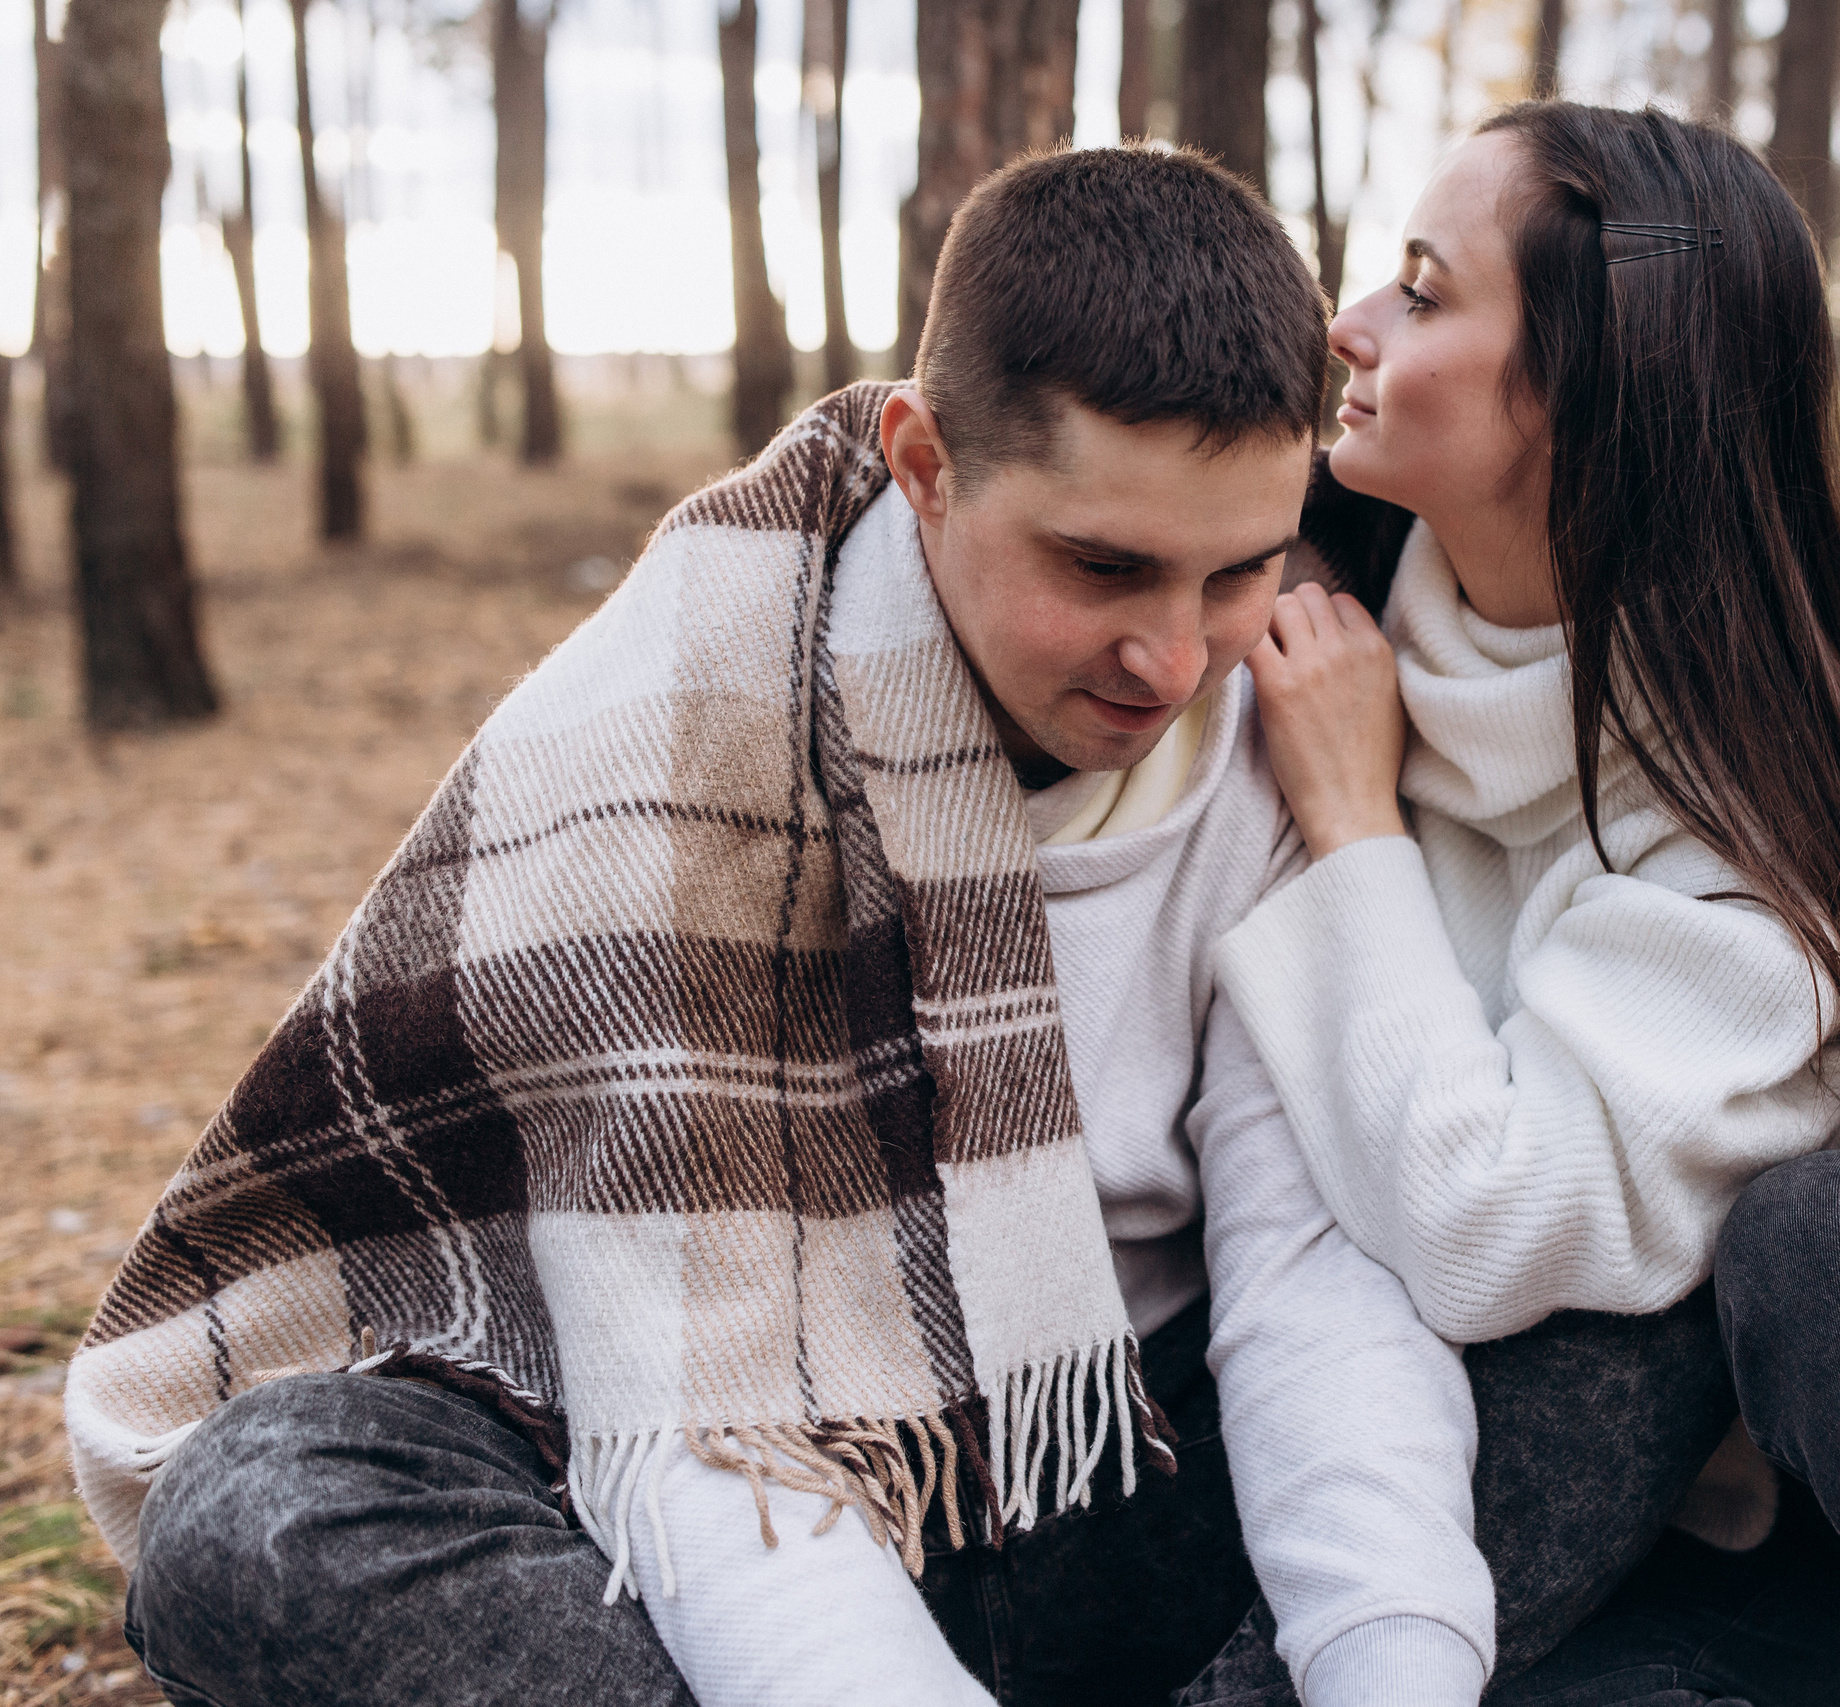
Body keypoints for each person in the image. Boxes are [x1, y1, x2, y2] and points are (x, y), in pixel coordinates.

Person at [70, 146, 1723, 1707]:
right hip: (711, 1507)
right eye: (1102, 565)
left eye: (1232, 572)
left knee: (1640, 1313)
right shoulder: (685, 742)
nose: (1170, 659)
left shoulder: (1281, 704)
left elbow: (1307, 1277)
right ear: (923, 467)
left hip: (1113, 1464)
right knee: (258, 1508)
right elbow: (716, 1441)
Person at [1219, 104, 1840, 1707]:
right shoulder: (1292, 594)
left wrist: (1355, 827)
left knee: (1820, 1232)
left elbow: (1485, 1225)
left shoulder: (1770, 826)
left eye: (1425, 294)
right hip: (1441, 1526)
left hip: (1740, 1528)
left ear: (1591, 395)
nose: (1346, 325)